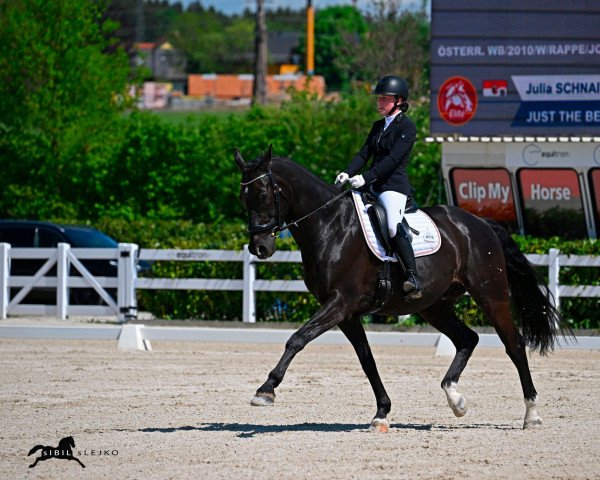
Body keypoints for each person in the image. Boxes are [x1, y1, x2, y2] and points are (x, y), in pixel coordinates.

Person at [335, 75, 423, 298]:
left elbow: (393, 160)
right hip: (372, 184)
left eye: (384, 99)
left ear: (399, 101)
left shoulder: (407, 127)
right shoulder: (377, 126)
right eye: (379, 99)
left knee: (393, 225)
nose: (379, 103)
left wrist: (366, 178)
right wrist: (348, 172)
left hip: (393, 187)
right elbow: (364, 153)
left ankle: (412, 276)